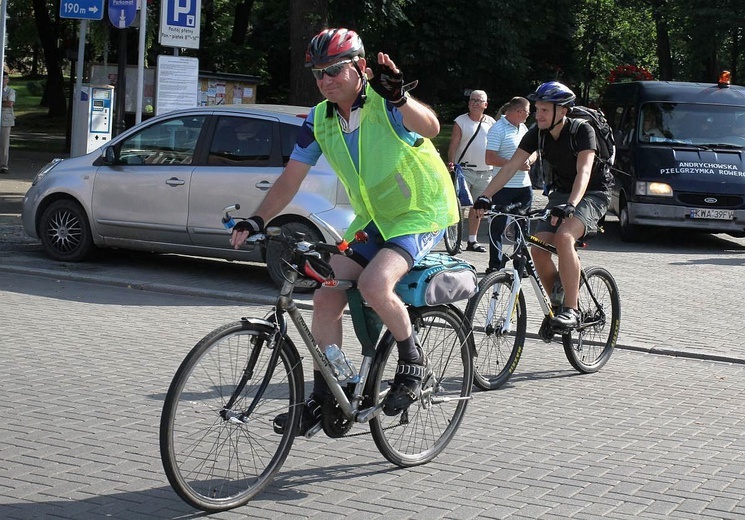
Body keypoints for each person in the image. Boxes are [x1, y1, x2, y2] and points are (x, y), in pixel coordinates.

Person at [230, 28, 458, 435]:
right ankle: (329, 391)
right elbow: (290, 180)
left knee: (374, 284)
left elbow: (431, 127)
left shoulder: (386, 105)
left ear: (361, 68)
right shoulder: (318, 119)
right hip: (373, 218)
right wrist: (257, 219)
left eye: (334, 70)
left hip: (420, 213)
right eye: (318, 73)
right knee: (325, 296)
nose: (325, 80)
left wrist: (400, 97)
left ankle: (411, 361)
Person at [474, 81, 612, 329]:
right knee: (538, 249)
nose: (538, 115)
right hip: (561, 194)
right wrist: (486, 196)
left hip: (593, 192)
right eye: (537, 109)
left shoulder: (582, 131)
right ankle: (557, 307)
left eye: (545, 110)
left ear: (562, 111)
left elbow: (584, 171)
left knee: (564, 236)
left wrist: (571, 204)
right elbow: (510, 167)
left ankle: (572, 309)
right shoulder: (537, 132)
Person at [484, 96, 536, 273]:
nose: (529, 116)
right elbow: (489, 157)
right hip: (503, 186)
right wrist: (513, 163)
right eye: (528, 112)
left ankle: (520, 264)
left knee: (522, 227)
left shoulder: (523, 127)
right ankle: (495, 264)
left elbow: (534, 151)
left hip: (524, 186)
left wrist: (529, 159)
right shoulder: (498, 129)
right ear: (519, 112)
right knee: (497, 226)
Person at [446, 90, 496, 252]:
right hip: (464, 171)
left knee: (479, 207)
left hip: (485, 172)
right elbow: (454, 143)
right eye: (472, 100)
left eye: (479, 100)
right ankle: (456, 240)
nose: (475, 103)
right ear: (468, 103)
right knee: (459, 207)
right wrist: (451, 162)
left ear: (485, 105)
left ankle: (472, 240)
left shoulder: (491, 122)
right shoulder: (461, 121)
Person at [0, 72, 16, 174]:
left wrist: (2, 102)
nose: (3, 80)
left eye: (5, 78)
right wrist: (3, 101)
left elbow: (10, 103)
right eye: (2, 78)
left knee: (4, 144)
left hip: (5, 121)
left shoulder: (11, 91)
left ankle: (4, 166)